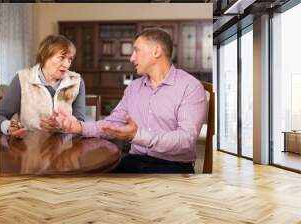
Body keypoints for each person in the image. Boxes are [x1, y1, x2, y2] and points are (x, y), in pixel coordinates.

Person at [52, 28, 207, 173]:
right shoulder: (134, 88)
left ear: (156, 51)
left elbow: (186, 140)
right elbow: (114, 123)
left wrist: (137, 136)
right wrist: (79, 127)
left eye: (136, 50)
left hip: (174, 167)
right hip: (134, 161)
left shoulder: (190, 86)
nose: (132, 58)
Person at [0, 34, 86, 138]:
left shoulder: (77, 82)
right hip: (28, 148)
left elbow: (80, 123)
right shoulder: (22, 78)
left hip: (65, 149)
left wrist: (63, 126)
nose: (66, 64)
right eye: (61, 58)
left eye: (69, 59)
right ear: (44, 56)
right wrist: (8, 127)